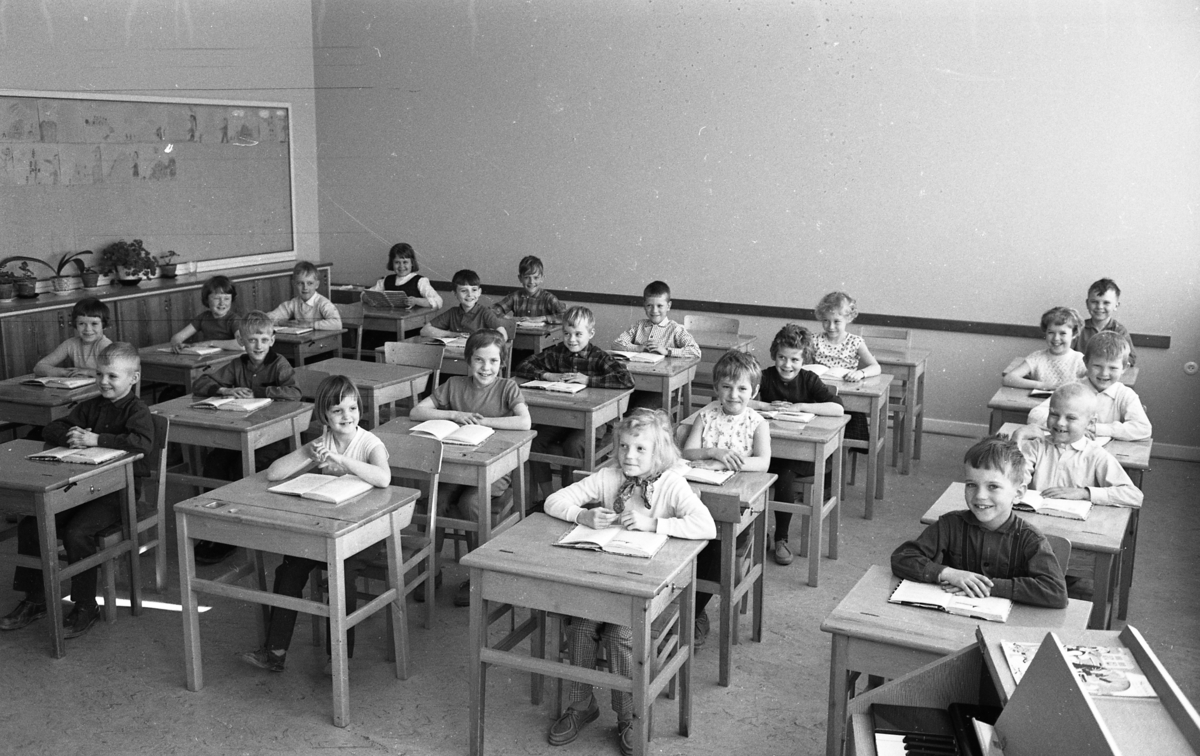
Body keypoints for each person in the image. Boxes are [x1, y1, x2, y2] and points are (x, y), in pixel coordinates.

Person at [543, 409, 715, 756]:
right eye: (623, 446)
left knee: (621, 634)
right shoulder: (608, 477)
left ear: (658, 452)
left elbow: (706, 526)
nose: (629, 456)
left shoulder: (671, 484)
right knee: (580, 627)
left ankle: (628, 715)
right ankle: (582, 704)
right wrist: (582, 514)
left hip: (651, 589)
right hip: (608, 580)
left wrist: (655, 524)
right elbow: (553, 500)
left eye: (639, 449)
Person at [1, 343, 154, 638]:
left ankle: (86, 605)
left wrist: (98, 439)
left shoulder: (137, 410)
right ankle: (36, 598)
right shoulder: (90, 406)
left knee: (77, 533)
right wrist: (71, 436)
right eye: (99, 374)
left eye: (112, 376)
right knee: (32, 525)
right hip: (82, 487)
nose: (104, 381)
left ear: (133, 378)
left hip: (117, 493)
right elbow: (52, 429)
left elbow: (142, 443)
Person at [239, 375, 391, 675]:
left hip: (366, 534)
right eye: (337, 410)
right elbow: (274, 474)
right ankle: (275, 651)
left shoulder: (369, 442)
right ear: (324, 415)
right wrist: (308, 452)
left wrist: (340, 460)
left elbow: (383, 478)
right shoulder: (323, 441)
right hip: (329, 531)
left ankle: (339, 657)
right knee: (289, 569)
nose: (346, 416)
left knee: (340, 576)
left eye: (352, 408)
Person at [409, 329, 531, 606]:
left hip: (495, 471)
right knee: (435, 502)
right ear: (468, 360)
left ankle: (478, 574)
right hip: (457, 469)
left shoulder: (507, 388)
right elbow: (417, 411)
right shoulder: (454, 385)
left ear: (502, 362)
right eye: (479, 360)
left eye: (493, 361)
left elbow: (524, 422)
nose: (486, 368)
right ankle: (432, 569)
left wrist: (484, 422)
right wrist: (455, 414)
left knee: (470, 503)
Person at [891, 435, 1068, 608]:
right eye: (971, 485)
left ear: (1018, 493)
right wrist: (948, 573)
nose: (980, 496)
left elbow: (1055, 592)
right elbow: (902, 558)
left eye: (993, 486)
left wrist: (988, 586)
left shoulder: (1030, 539)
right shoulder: (949, 525)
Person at [189, 310, 302, 565]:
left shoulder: (279, 364)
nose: (258, 346)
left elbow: (294, 392)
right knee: (214, 463)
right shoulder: (237, 364)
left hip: (273, 439)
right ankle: (216, 528)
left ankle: (239, 528)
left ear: (272, 340)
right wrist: (224, 389)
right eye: (252, 340)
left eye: (263, 340)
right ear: (241, 341)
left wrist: (257, 391)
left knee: (242, 468)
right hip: (241, 435)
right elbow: (200, 384)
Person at [681, 350, 770, 645]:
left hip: (737, 509)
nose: (734, 395)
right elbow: (688, 452)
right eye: (727, 387)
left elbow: (763, 462)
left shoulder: (757, 423)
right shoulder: (706, 415)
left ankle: (693, 613)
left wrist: (723, 464)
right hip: (700, 499)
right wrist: (713, 452)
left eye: (742, 388)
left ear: (754, 391)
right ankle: (687, 609)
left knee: (715, 551)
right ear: (716, 388)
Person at [514, 305, 633, 503]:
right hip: (562, 419)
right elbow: (523, 366)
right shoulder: (557, 353)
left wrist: (588, 380)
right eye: (567, 334)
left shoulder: (598, 357)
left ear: (591, 333)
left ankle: (570, 498)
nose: (571, 339)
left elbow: (626, 379)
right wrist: (547, 375)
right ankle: (548, 496)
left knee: (574, 444)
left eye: (578, 334)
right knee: (535, 440)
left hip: (594, 422)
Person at [750, 324, 845, 566]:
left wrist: (801, 406)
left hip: (803, 456)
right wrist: (764, 405)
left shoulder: (809, 380)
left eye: (794, 359)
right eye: (782, 357)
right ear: (774, 355)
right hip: (770, 450)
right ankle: (757, 533)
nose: (787, 365)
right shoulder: (764, 376)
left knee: (785, 474)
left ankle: (781, 538)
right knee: (750, 471)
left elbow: (837, 408)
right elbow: (737, 399)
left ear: (804, 360)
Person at [1012, 383, 1143, 509]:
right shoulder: (1036, 447)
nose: (1060, 422)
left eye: (1071, 418)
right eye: (1054, 414)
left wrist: (1084, 493)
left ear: (1090, 423)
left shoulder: (1096, 455)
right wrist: (1017, 439)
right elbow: (1009, 482)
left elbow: (1134, 495)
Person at [1027, 331, 1151, 441]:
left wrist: (1096, 429)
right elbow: (1035, 415)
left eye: (1113, 368)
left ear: (1124, 368)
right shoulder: (1072, 389)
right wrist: (1072, 426)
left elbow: (1143, 429)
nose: (1104, 373)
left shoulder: (1125, 395)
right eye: (1097, 366)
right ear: (1086, 362)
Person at [809, 290, 878, 447]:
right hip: (821, 395)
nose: (830, 326)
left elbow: (875, 367)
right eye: (826, 321)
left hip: (847, 397)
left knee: (849, 432)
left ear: (849, 318)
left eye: (836, 321)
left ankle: (844, 450)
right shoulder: (814, 340)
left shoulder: (855, 342)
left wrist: (861, 373)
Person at [1002, 306, 1086, 390]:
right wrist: (1042, 385)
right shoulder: (1037, 357)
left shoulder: (1079, 359)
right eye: (1051, 332)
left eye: (1062, 333)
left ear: (1074, 334)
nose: (1056, 338)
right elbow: (1008, 379)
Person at [33, 297, 113, 377]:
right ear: (75, 324)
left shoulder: (105, 345)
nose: (88, 329)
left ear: (104, 325)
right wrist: (64, 372)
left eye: (94, 324)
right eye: (81, 323)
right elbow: (39, 367)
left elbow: (112, 372)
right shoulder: (70, 344)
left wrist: (87, 372)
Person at [421, 268, 508, 341]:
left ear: (479, 292)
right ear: (455, 293)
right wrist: (453, 334)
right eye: (463, 291)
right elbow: (425, 330)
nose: (470, 294)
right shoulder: (452, 313)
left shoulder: (485, 313)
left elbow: (503, 335)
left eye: (474, 290)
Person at [168, 275, 243, 352]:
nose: (222, 303)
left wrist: (210, 343)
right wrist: (177, 343)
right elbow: (177, 337)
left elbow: (242, 344)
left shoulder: (234, 320)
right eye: (216, 298)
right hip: (210, 357)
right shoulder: (204, 317)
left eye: (226, 298)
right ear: (207, 300)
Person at [1075, 277, 1135, 365]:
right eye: (1094, 302)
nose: (1099, 307)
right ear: (1087, 304)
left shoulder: (1119, 331)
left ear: (1116, 306)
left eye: (1106, 303)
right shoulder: (1078, 329)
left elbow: (1130, 359)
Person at [267, 261, 342, 331]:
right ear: (294, 284)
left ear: (317, 284)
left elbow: (337, 324)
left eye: (310, 283)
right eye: (300, 283)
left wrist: (309, 325)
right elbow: (266, 318)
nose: (305, 287)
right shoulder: (294, 303)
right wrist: (282, 322)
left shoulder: (323, 303)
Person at [491, 254, 567, 322]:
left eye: (536, 278)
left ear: (542, 278)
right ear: (520, 278)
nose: (531, 282)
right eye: (526, 277)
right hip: (519, 333)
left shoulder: (548, 298)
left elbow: (566, 316)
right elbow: (492, 311)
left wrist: (542, 318)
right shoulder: (514, 297)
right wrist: (509, 318)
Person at [369, 242, 443, 309]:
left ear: (412, 263)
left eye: (405, 262)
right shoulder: (386, 280)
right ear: (392, 263)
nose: (401, 266)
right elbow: (366, 293)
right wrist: (369, 300)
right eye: (397, 262)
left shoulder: (420, 281)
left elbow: (438, 301)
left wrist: (416, 301)